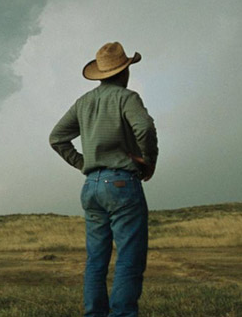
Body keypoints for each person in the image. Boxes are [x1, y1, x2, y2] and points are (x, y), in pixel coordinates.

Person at [49, 42, 158, 317]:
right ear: (125, 71)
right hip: (122, 183)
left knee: (96, 261)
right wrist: (148, 162)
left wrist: (84, 164)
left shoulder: (83, 102)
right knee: (129, 260)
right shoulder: (127, 97)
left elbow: (57, 138)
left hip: (91, 187)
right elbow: (144, 128)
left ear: (100, 73)